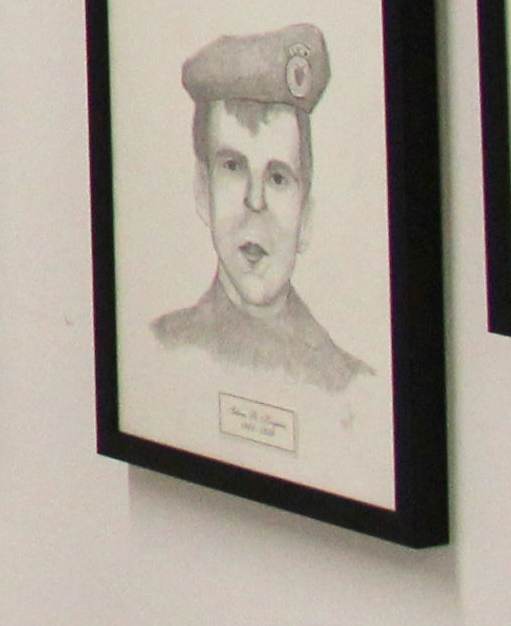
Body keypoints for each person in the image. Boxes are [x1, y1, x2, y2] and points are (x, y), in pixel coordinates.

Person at [149, 25, 373, 397]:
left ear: (306, 216)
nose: (255, 201)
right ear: (203, 191)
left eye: (278, 177)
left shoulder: (349, 387)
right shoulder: (161, 351)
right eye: (233, 167)